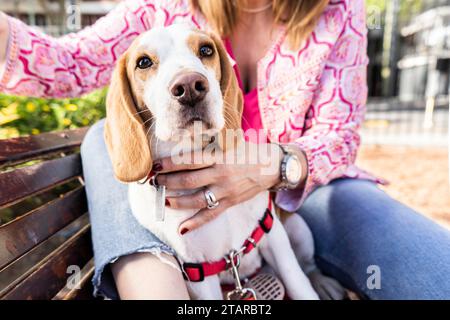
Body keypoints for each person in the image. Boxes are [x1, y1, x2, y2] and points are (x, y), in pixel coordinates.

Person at [0, 0, 449, 300]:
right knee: (103, 136)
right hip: (180, 208)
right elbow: (67, 64)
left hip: (308, 189)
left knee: (436, 273)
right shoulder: (164, 9)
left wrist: (271, 166)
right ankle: (153, 278)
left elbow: (338, 134)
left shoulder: (340, 12)